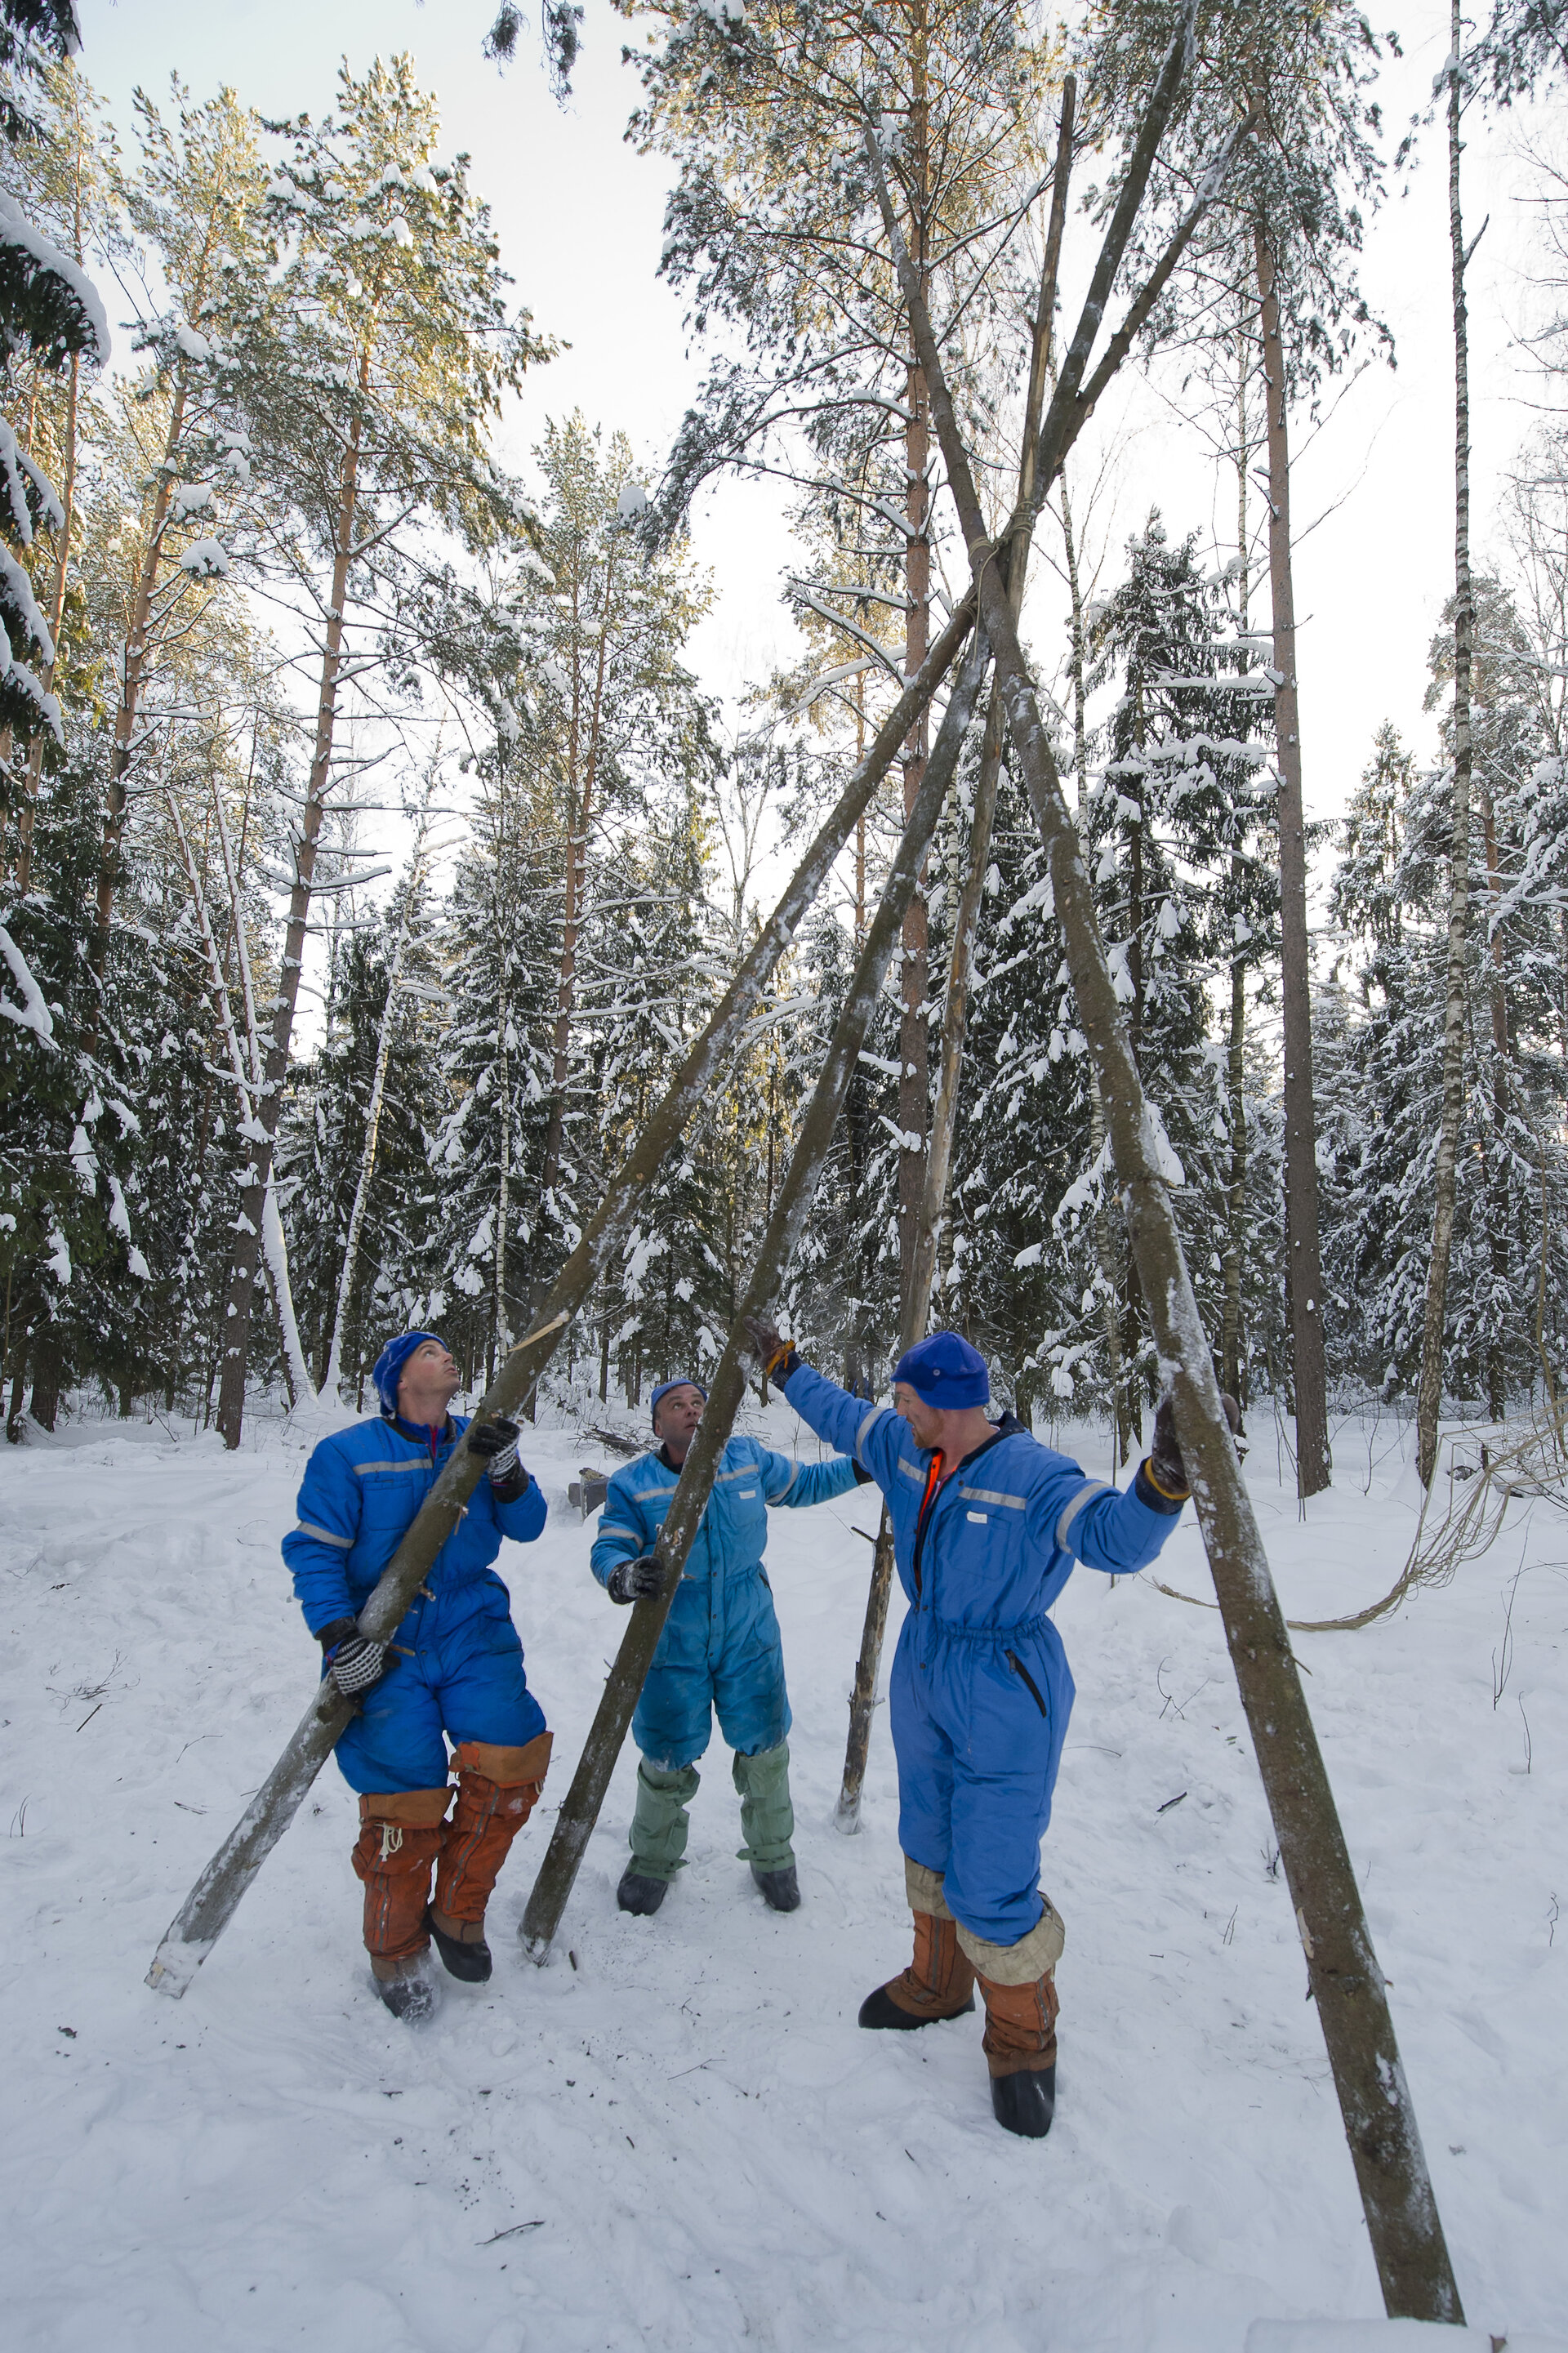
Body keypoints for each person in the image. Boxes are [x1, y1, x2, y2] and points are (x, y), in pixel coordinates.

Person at [743, 1317, 1229, 2139]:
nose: (892, 1410)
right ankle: (938, 1983)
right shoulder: (903, 1443)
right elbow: (837, 1414)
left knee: (993, 1865)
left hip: (1006, 1683)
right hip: (926, 1660)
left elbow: (1114, 1538)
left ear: (949, 1403)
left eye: (905, 1397)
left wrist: (1165, 1478)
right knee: (928, 1835)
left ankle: (1022, 2034)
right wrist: (786, 1367)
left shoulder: (1035, 1475)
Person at [283, 1330, 551, 2021]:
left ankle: (460, 1907)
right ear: (398, 1379)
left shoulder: (479, 1440)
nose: (449, 1357)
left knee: (512, 1761)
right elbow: (315, 1552)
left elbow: (531, 1525)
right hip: (384, 1642)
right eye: (432, 1352)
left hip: (470, 1627)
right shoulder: (346, 1455)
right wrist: (340, 1636)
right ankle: (396, 1943)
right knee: (405, 1802)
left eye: (449, 1351)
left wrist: (509, 1474)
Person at [590, 1375, 869, 1918]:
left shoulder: (744, 1458)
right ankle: (651, 1860)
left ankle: (773, 1856)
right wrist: (623, 1574)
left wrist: (862, 1465)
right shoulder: (635, 1483)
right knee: (667, 1750)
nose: (692, 1410)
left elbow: (804, 1483)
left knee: (765, 1743)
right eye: (677, 1405)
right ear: (657, 1424)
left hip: (747, 1624)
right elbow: (611, 1543)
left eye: (699, 1401)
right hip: (673, 1628)